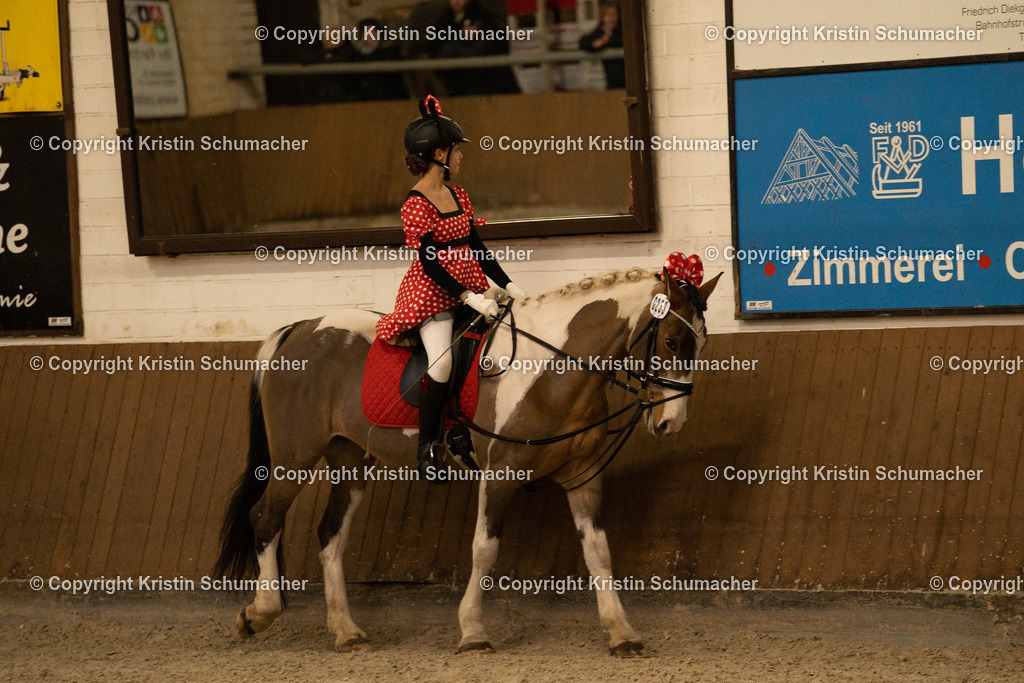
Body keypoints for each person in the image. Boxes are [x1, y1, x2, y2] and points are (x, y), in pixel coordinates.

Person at [376, 95, 525, 483]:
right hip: (432, 296)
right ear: (440, 154)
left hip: (471, 287)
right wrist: (465, 296)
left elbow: (477, 247)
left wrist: (508, 283)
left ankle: (465, 425)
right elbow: (429, 263)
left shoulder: (459, 196)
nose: (461, 157)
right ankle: (427, 448)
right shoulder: (416, 204)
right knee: (441, 362)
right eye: (457, 150)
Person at [579, 1, 625, 89]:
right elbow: (583, 42)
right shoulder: (601, 30)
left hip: (627, 77)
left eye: (614, 15)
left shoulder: (622, 28)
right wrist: (594, 44)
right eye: (608, 16)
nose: (611, 19)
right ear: (603, 17)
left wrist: (606, 42)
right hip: (611, 79)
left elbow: (623, 41)